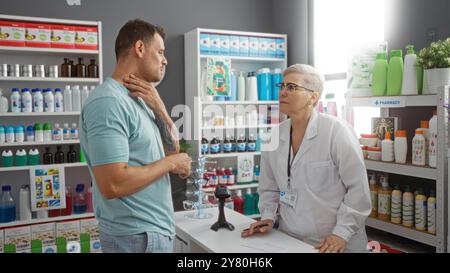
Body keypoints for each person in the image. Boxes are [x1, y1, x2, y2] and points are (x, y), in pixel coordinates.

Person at [80, 19, 192, 253]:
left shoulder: (140, 100)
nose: (165, 60)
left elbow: (173, 149)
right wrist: (171, 162)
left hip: (148, 234)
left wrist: (160, 107)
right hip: (135, 238)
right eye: (160, 51)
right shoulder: (109, 102)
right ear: (140, 48)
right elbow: (113, 183)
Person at [242, 64, 371, 253]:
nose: (283, 92)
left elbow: (358, 189)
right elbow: (269, 186)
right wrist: (268, 216)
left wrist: (341, 233)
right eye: (282, 86)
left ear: (313, 96)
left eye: (292, 87)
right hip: (290, 239)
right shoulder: (274, 136)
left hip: (333, 242)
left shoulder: (337, 131)